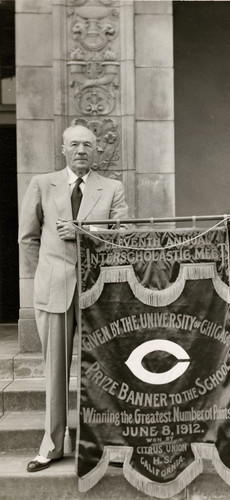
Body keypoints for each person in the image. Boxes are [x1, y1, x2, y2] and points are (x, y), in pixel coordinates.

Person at [19, 124, 129, 472]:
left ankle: (106, 446)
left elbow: (123, 234)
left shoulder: (111, 188)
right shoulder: (42, 184)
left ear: (97, 151)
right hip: (54, 291)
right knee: (54, 373)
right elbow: (28, 239)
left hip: (98, 292)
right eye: (74, 144)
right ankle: (52, 446)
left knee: (103, 371)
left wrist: (85, 232)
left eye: (88, 145)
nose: (81, 150)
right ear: (63, 149)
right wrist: (46, 276)